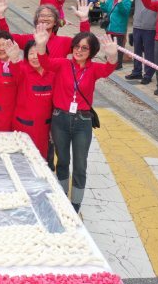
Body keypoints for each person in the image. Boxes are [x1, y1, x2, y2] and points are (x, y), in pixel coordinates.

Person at [34, 24, 118, 212]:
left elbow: (109, 68)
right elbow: (45, 62)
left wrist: (112, 55)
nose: (79, 51)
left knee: (80, 166)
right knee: (62, 161)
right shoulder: (63, 64)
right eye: (76, 47)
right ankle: (63, 197)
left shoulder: (94, 69)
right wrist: (41, 45)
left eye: (84, 48)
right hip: (59, 119)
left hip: (83, 122)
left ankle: (76, 205)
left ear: (92, 51)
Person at [0, 0, 91, 57]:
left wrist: (84, 20)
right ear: (37, 21)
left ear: (55, 22)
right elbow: (7, 37)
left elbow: (84, 42)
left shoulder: (64, 42)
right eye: (42, 16)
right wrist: (0, 15)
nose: (45, 18)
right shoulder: (27, 39)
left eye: (49, 16)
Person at [10, 40, 55, 159]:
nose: (35, 57)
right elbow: (14, 70)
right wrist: (14, 60)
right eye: (31, 54)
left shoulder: (53, 74)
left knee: (40, 159)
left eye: (38, 53)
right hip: (23, 126)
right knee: (22, 159)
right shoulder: (22, 70)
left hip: (44, 128)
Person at [98, 0, 132, 70]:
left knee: (118, 48)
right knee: (109, 46)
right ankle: (110, 62)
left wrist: (120, 3)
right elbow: (106, 9)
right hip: (109, 28)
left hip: (119, 29)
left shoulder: (127, 0)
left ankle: (118, 64)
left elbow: (125, 12)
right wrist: (102, 2)